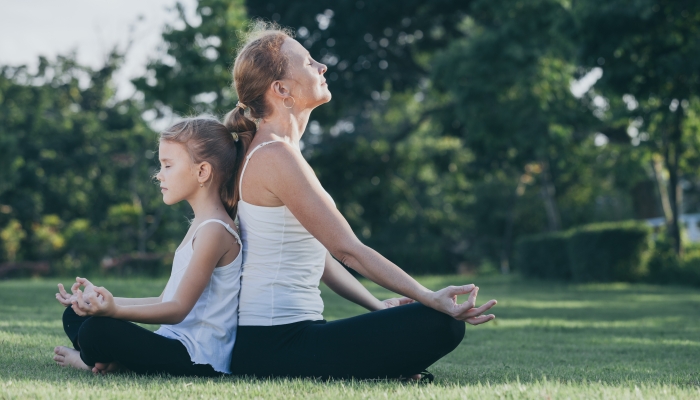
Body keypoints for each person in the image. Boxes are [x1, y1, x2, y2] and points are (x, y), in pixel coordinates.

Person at [227, 22, 498, 380]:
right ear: (281, 89)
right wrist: (427, 296)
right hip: (276, 345)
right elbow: (348, 249)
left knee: (425, 321)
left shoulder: (273, 150)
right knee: (440, 323)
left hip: (279, 341)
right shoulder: (276, 154)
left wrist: (377, 306)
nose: (322, 67)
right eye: (309, 63)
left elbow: (321, 257)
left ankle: (383, 366)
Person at [53, 118, 244, 376]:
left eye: (167, 165)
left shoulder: (215, 230)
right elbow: (163, 300)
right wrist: (94, 301)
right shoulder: (200, 225)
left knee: (96, 330)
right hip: (172, 343)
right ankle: (114, 361)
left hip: (197, 358)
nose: (159, 174)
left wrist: (115, 311)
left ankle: (91, 362)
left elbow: (177, 309)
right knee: (77, 316)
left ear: (202, 172)